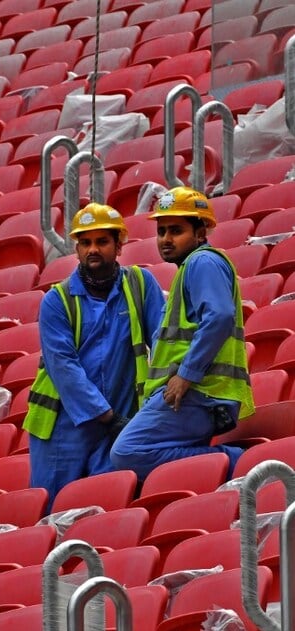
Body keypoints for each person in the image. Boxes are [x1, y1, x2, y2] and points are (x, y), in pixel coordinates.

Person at [23, 202, 165, 508]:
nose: (93, 250)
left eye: (102, 241)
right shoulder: (56, 301)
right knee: (56, 511)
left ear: (119, 245)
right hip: (62, 428)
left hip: (120, 417)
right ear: (76, 249)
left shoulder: (141, 285)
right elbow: (64, 369)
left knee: (110, 505)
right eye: (85, 242)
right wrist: (109, 417)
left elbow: (166, 343)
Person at [111, 186, 254, 479]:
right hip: (193, 394)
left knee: (127, 450)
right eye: (161, 231)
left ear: (200, 233)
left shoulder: (203, 261)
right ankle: (216, 472)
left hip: (199, 393)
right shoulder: (189, 268)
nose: (165, 239)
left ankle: (235, 461)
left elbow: (220, 316)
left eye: (176, 230)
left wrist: (186, 375)